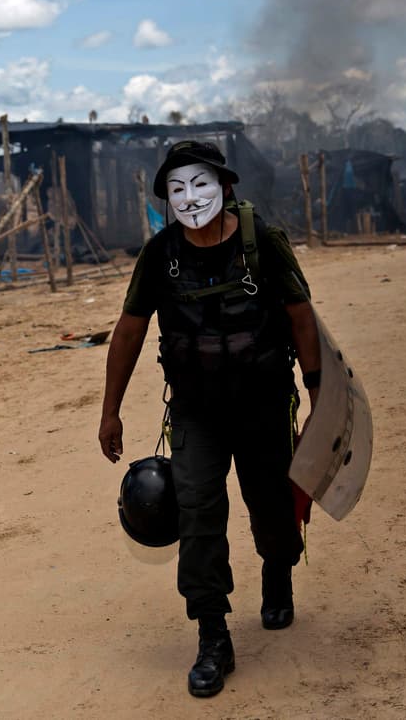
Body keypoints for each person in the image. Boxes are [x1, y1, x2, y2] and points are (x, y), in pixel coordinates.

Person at [99, 140, 322, 698]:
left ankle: (278, 567)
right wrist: (111, 411)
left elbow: (300, 315)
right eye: (177, 189)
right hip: (197, 409)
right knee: (198, 507)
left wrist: (320, 395)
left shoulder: (263, 243)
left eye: (200, 184)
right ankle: (213, 632)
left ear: (224, 186)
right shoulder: (160, 254)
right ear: (166, 199)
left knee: (271, 505)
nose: (190, 197)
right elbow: (129, 330)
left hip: (264, 401)